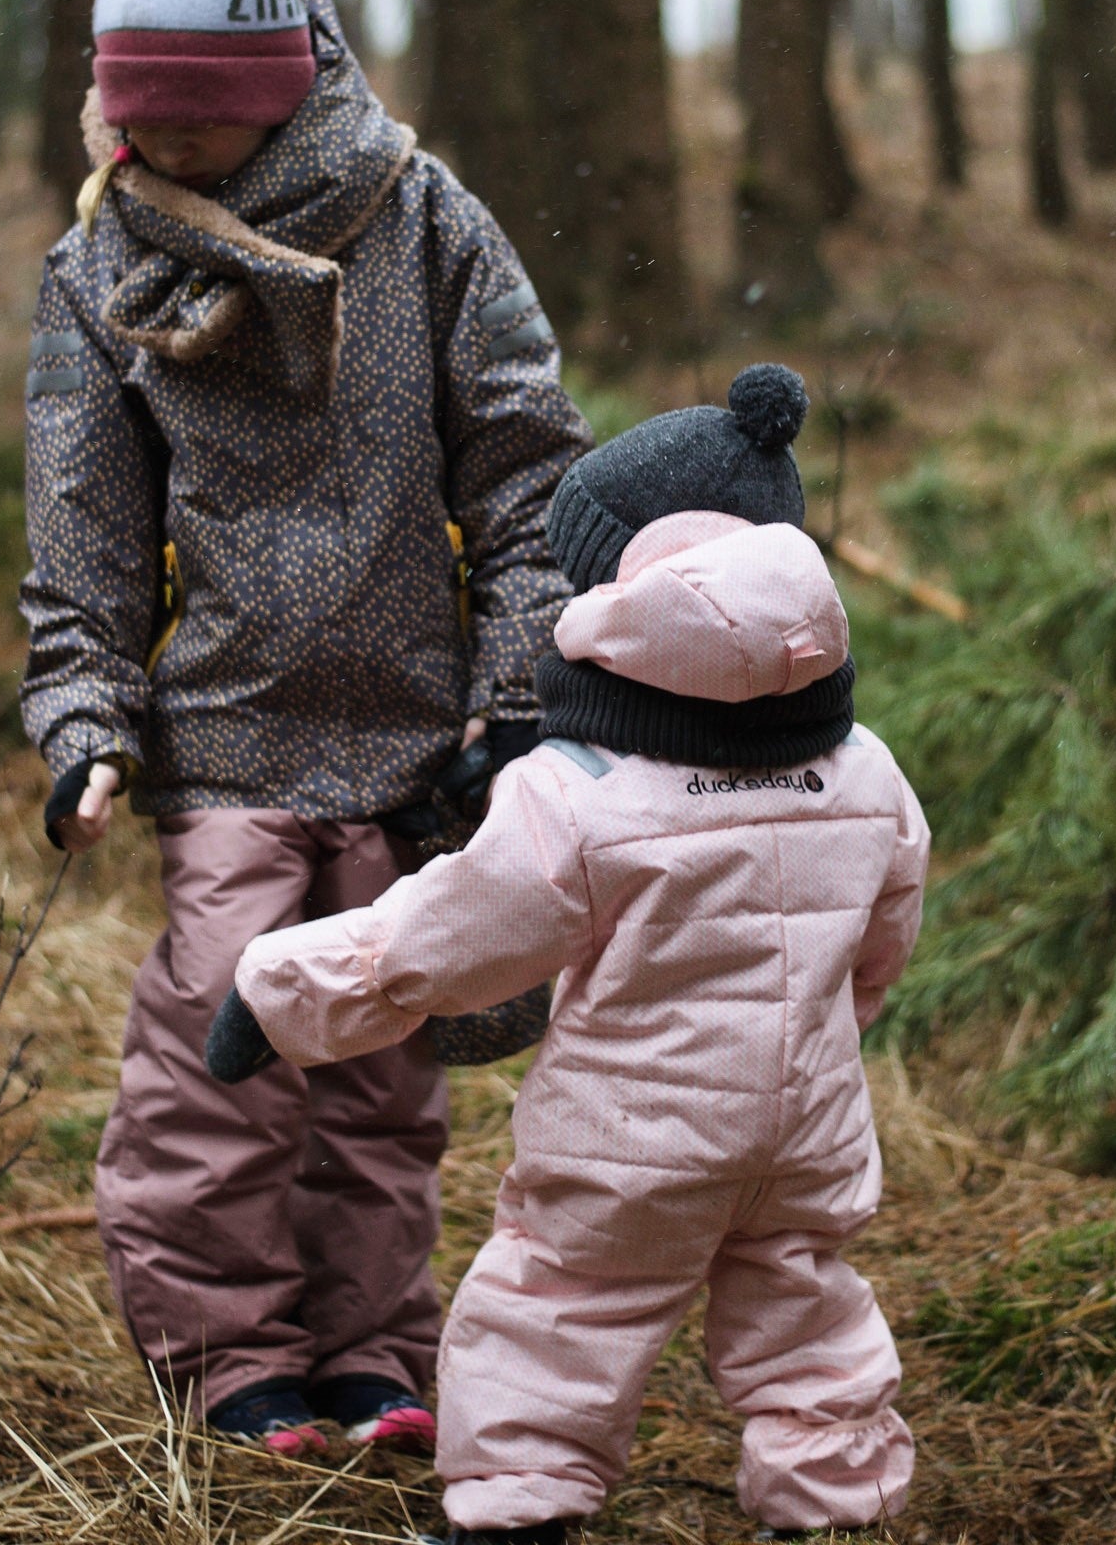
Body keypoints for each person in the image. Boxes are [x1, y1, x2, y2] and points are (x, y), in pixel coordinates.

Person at [19, 0, 591, 1457]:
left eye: (204, 102)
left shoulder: (423, 223)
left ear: (284, 74)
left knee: (381, 1077)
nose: (170, 135)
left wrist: (517, 697)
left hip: (419, 745)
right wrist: (87, 721)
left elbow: (530, 465)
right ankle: (234, 1360)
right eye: (149, 109)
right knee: (221, 1062)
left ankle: (374, 1353)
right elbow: (84, 531)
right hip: (231, 753)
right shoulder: (101, 261)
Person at [213, 363, 932, 1540]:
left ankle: (516, 1513)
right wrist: (822, 1036)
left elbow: (435, 941)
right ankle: (835, 1506)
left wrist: (280, 988)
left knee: (560, 1303)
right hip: (809, 1123)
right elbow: (881, 942)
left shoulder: (579, 790)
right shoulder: (866, 770)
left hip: (631, 1140)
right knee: (808, 1312)